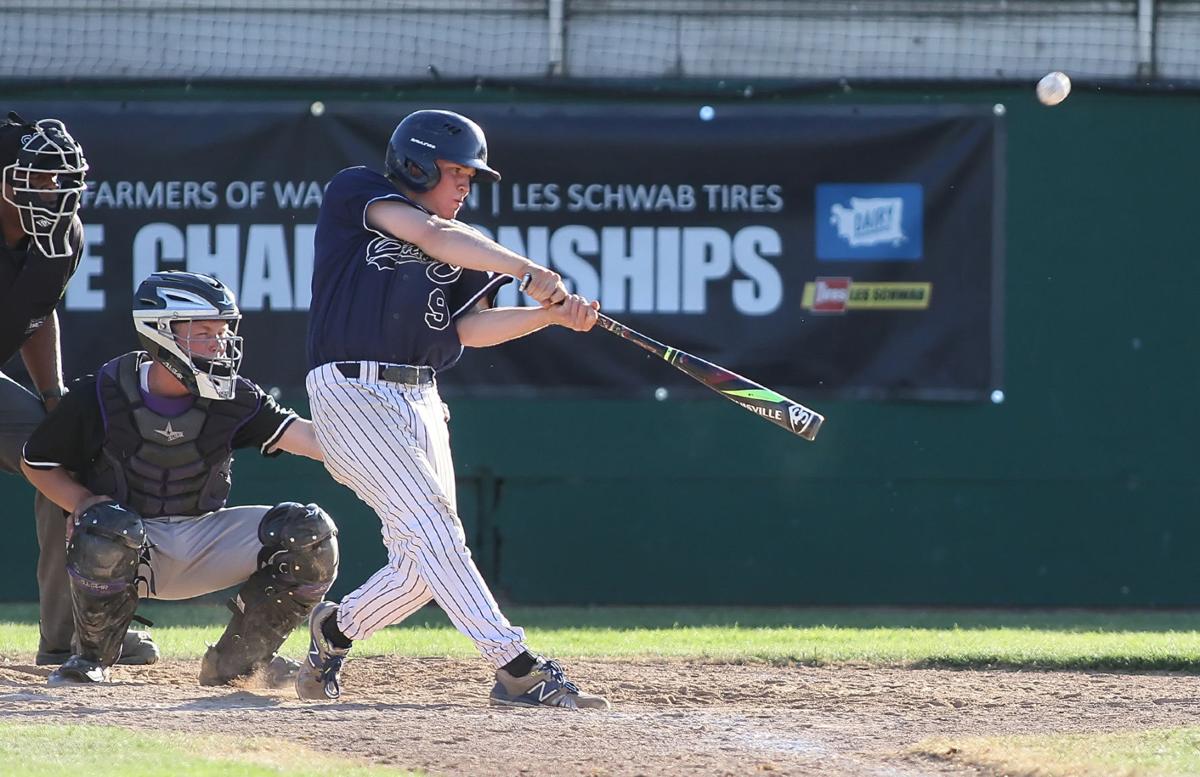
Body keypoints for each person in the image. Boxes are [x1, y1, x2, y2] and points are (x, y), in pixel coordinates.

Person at [298, 109, 608, 709]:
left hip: (421, 398)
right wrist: (526, 270)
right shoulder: (359, 191)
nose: (465, 186)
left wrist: (549, 314)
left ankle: (331, 634)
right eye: (456, 173)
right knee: (437, 533)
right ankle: (516, 667)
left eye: (470, 176)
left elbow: (469, 328)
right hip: (352, 390)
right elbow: (433, 237)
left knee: (421, 566)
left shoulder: (462, 243)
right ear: (415, 164)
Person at [21, 270, 339, 686]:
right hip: (131, 546)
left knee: (310, 533)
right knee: (104, 525)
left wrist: (388, 437)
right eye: (204, 331)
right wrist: (81, 501)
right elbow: (37, 462)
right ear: (161, 332)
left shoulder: (236, 395)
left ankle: (236, 663)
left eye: (223, 331)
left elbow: (311, 438)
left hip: (204, 535)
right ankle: (91, 659)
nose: (219, 343)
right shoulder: (104, 391)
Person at [0, 111, 158, 666]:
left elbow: (36, 314)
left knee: (59, 458)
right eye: (36, 178)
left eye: (61, 178)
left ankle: (70, 639)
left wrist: (52, 398)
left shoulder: (62, 237)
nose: (52, 191)